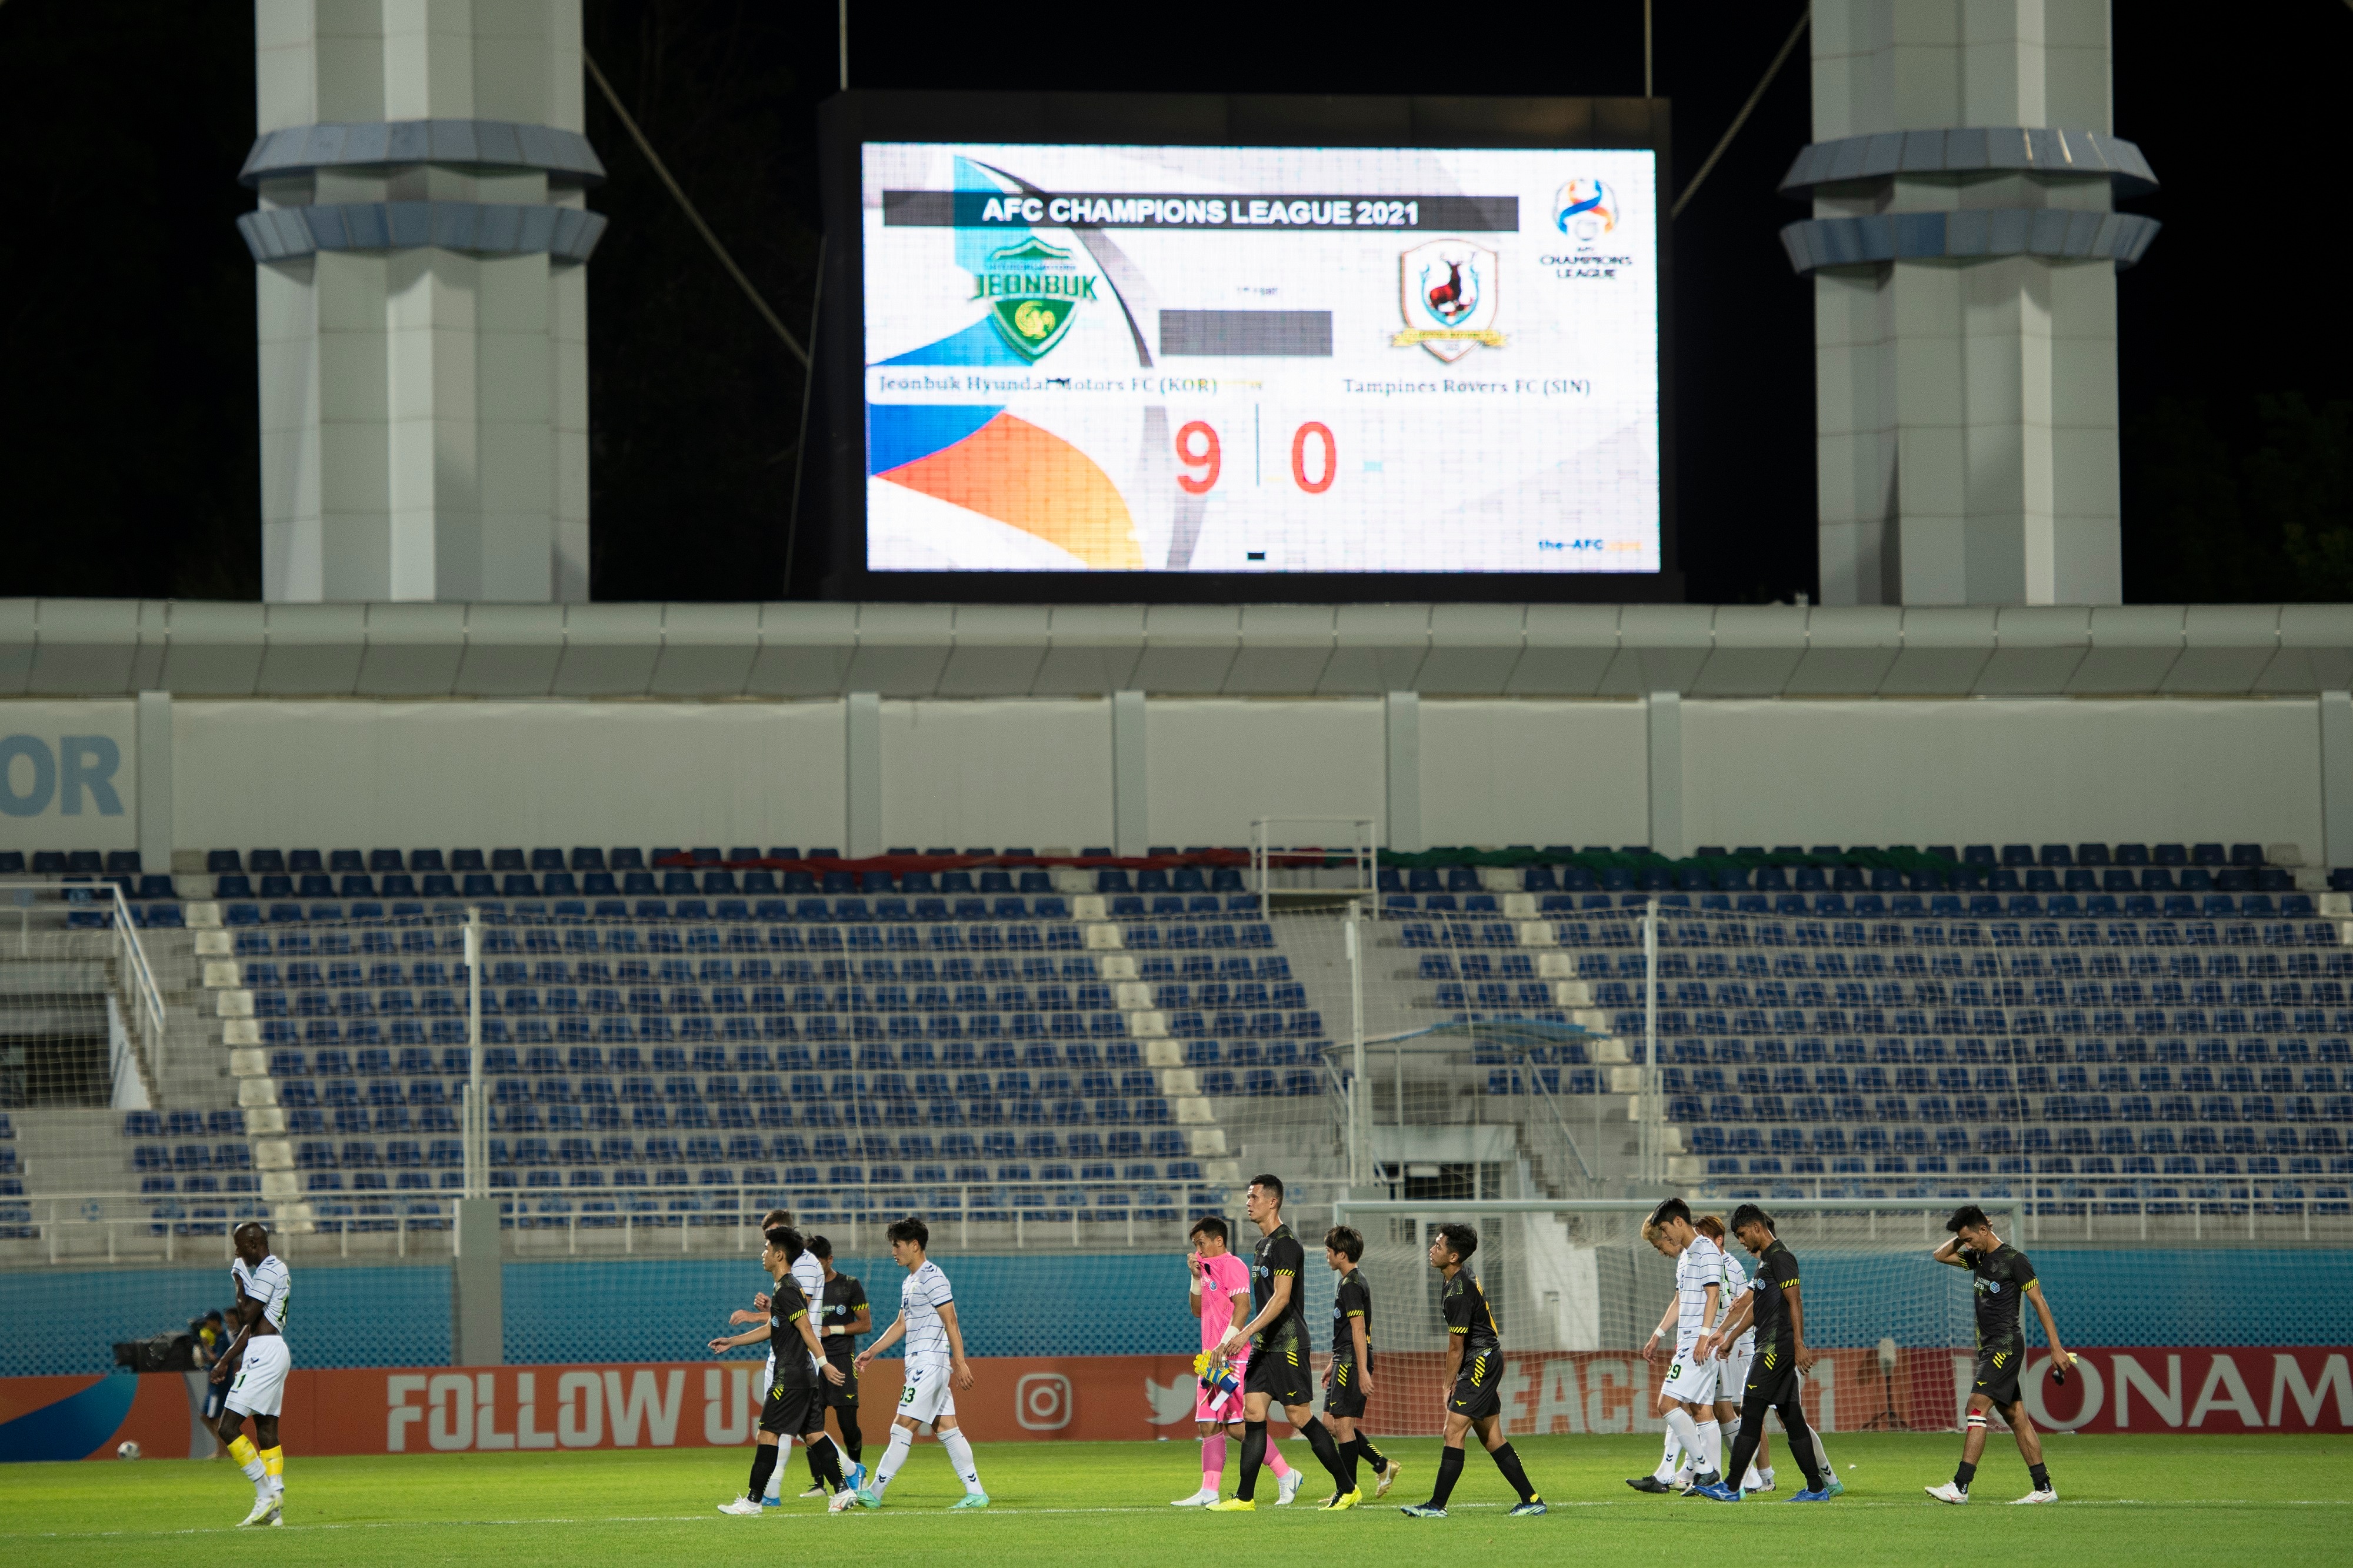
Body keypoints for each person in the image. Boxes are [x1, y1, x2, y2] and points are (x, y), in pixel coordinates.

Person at [1205, 1175, 1354, 1512]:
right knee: (1252, 1413)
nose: (1248, 1202)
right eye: (1248, 1196)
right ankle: (1244, 1498)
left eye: (1254, 1196)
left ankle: (1347, 1488)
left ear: (1273, 1202)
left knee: (1299, 1417)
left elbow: (1282, 1298)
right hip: (1265, 1346)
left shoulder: (1287, 1244)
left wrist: (1245, 1334)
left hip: (1287, 1343)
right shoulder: (1262, 1246)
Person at [1924, 1204, 2073, 1505]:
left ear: (1984, 1230)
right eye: (1963, 1241)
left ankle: (1960, 1486)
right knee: (2016, 1416)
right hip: (1988, 1348)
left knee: (1976, 1407)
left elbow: (2039, 1301)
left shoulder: (2015, 1261)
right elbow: (1940, 1255)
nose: (1967, 1245)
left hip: (2004, 1346)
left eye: (1970, 1238)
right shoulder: (1978, 1257)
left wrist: (2056, 1347)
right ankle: (2044, 1488)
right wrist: (1963, 1239)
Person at [1398, 1223, 1545, 1518]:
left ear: (1453, 1256)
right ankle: (1532, 1500)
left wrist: (1447, 1385)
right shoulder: (1457, 1279)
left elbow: (1456, 1346)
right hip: (1485, 1358)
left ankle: (1436, 1506)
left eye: (1438, 1246)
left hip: (1479, 1360)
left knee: (1452, 1431)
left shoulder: (1458, 1290)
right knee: (1492, 1437)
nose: (1431, 1249)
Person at [1692, 1203, 1835, 1503]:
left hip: (1774, 1350)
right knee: (1792, 1419)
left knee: (1752, 1414)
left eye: (1743, 1235)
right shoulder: (1765, 1262)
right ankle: (1816, 1488)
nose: (1741, 1241)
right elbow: (1758, 1307)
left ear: (1757, 1228)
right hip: (1770, 1347)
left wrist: (1798, 1345)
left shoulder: (1782, 1258)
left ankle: (1731, 1487)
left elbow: (1794, 1302)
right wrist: (1731, 1337)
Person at [844, 1216, 989, 1510]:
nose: (893, 1251)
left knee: (901, 1426)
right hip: (921, 1364)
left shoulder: (933, 1277)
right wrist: (873, 1351)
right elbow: (902, 1323)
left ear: (914, 1245)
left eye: (897, 1246)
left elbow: (951, 1320)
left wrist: (959, 1363)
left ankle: (874, 1492)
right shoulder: (911, 1281)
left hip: (930, 1364)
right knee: (947, 1428)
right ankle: (976, 1493)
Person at [712, 1225, 848, 1514]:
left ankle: (753, 1501)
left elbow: (807, 1328)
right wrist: (732, 1342)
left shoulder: (787, 1289)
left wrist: (824, 1364)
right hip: (803, 1375)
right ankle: (843, 1490)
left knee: (767, 1434)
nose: (762, 1254)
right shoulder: (786, 1288)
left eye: (766, 1249)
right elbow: (771, 1329)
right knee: (814, 1435)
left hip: (790, 1375)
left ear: (779, 1254)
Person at [1172, 1215, 1304, 1507]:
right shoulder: (1205, 1269)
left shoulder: (1233, 1266)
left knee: (1238, 1427)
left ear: (1219, 1240)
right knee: (1207, 1423)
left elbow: (1243, 1308)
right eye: (1195, 1245)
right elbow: (1197, 1311)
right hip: (1210, 1359)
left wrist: (1223, 1345)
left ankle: (1286, 1474)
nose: (1198, 1250)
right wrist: (1195, 1278)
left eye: (1201, 1243)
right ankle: (1209, 1491)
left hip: (1232, 1358)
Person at [1627, 1197, 1724, 1496]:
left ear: (1679, 1222)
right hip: (1691, 1340)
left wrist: (1705, 1336)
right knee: (1699, 1408)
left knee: (1667, 1405)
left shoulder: (1706, 1249)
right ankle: (1695, 1477)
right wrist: (1658, 1334)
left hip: (1699, 1343)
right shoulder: (1686, 1257)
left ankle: (1705, 1469)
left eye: (1666, 1230)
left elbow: (1713, 1296)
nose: (1666, 1238)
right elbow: (1682, 1300)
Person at [209, 1222, 292, 1527]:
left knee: (228, 1427)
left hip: (265, 1354)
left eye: (239, 1246)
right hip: (267, 1347)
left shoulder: (269, 1270)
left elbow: (244, 1314)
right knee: (266, 1429)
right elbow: (249, 1329)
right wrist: (225, 1362)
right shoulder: (271, 1270)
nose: (236, 1251)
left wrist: (238, 1279)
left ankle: (265, 1493)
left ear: (254, 1244)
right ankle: (275, 1508)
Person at [1317, 1225, 1402, 1507]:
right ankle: (1381, 1465)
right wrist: (1333, 1362)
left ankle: (1348, 1490)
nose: (1327, 1256)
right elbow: (1348, 1332)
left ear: (1342, 1254)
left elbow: (1358, 1331)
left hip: (1353, 1361)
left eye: (1329, 1251)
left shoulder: (1352, 1284)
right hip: (1344, 1358)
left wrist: (1363, 1371)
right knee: (1331, 1422)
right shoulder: (1349, 1281)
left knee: (1343, 1426)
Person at [1692, 1215, 1768, 1493]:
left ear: (1717, 1240)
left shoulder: (1731, 1265)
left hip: (1736, 1345)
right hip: (1720, 1342)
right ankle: (1707, 1473)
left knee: (1742, 1410)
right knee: (1715, 1407)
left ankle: (1761, 1475)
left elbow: (1741, 1307)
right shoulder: (1703, 1264)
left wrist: (1730, 1339)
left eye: (1703, 1237)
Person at [792, 1235, 871, 1499]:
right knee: (813, 1423)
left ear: (830, 1260)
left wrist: (830, 1330)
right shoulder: (803, 1288)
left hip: (840, 1359)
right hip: (812, 1360)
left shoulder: (849, 1285)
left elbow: (865, 1324)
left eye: (819, 1262)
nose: (814, 1267)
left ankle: (857, 1469)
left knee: (848, 1424)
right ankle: (818, 1484)